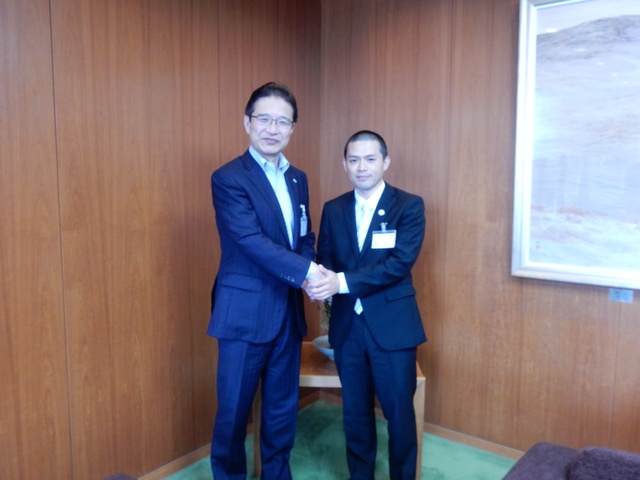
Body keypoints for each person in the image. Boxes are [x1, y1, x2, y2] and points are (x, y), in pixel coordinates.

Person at [208, 82, 320, 480]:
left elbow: (304, 236)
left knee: (281, 409)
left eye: (282, 121)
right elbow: (250, 240)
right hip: (244, 314)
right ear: (247, 122)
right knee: (234, 413)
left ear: (292, 129)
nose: (273, 129)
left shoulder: (298, 178)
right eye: (264, 119)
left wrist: (307, 266)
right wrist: (309, 273)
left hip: (287, 313)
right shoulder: (228, 177)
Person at [305, 130, 427, 480]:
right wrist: (319, 281)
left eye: (370, 159)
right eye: (354, 160)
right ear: (344, 164)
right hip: (348, 328)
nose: (362, 167)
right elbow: (326, 258)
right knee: (355, 413)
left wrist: (340, 282)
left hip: (392, 327)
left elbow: (398, 264)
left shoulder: (409, 205)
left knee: (399, 414)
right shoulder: (334, 208)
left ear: (385, 162)